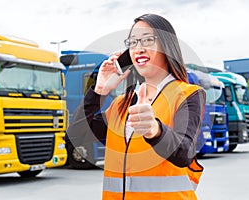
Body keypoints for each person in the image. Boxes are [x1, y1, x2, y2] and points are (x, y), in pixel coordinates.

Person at [84, 13, 205, 200]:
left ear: (167, 46)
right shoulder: (122, 104)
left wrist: (154, 130)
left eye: (147, 40)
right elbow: (80, 133)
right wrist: (99, 90)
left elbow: (184, 153)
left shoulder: (187, 94)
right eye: (132, 43)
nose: (138, 48)